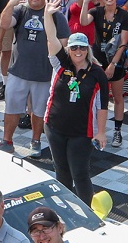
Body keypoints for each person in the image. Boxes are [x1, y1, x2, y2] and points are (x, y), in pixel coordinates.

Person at [0, 0, 70, 155]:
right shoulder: (20, 10)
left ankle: (36, 141)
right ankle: (7, 140)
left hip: (43, 74)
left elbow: (63, 44)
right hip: (18, 71)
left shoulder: (56, 15)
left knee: (38, 111)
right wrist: (10, 4)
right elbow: (4, 24)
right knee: (11, 108)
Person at [43, 17, 108, 206]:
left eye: (82, 48)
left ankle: (87, 212)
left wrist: (101, 132)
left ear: (87, 49)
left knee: (79, 173)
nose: (78, 51)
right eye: (74, 48)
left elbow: (103, 105)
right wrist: (47, 13)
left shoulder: (97, 73)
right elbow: (51, 38)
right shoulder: (61, 64)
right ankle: (66, 209)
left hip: (81, 132)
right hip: (54, 127)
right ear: (68, 49)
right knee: (61, 171)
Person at [81, 0, 128, 148]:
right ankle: (94, 130)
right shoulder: (96, 11)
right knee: (94, 96)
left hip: (115, 61)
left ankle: (117, 131)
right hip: (97, 60)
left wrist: (113, 64)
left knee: (117, 96)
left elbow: (123, 42)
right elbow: (83, 22)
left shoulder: (124, 15)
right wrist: (85, 2)